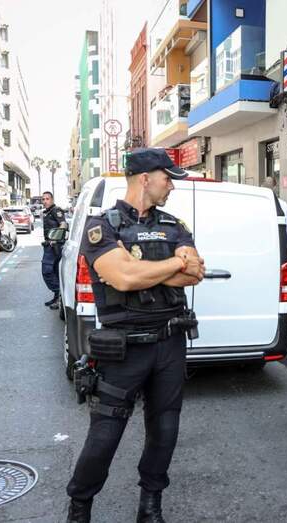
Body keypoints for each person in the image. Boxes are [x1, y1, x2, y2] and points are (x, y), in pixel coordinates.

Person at [65, 148, 205, 523]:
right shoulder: (102, 227)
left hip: (170, 344)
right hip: (123, 349)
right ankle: (80, 507)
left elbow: (194, 273)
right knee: (104, 436)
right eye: (167, 178)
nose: (171, 185)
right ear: (146, 178)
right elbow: (123, 278)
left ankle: (150, 506)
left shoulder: (175, 225)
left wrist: (141, 265)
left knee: (165, 429)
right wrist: (173, 263)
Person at [41, 191, 67, 309]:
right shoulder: (48, 212)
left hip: (54, 246)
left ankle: (60, 293)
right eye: (43, 199)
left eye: (47, 199)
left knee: (47, 271)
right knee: (55, 272)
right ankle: (57, 298)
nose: (45, 201)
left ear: (52, 199)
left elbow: (63, 224)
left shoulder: (56, 210)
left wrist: (55, 238)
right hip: (49, 245)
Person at [260, 176, 287, 247]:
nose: (267, 186)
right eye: (266, 184)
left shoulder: (283, 206)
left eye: (268, 185)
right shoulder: (258, 204)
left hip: (274, 245)